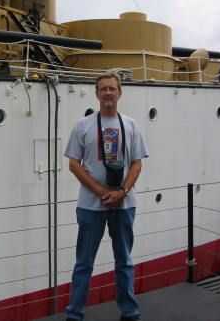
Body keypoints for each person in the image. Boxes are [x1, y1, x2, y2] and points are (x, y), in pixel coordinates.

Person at [64, 71, 148, 321]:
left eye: (112, 88)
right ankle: (75, 313)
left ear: (120, 93)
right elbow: (74, 164)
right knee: (84, 263)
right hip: (91, 205)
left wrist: (122, 192)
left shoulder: (131, 125)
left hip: (124, 205)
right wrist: (102, 192)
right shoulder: (83, 125)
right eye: (103, 89)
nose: (108, 92)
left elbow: (136, 163)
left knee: (124, 260)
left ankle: (129, 310)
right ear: (96, 93)